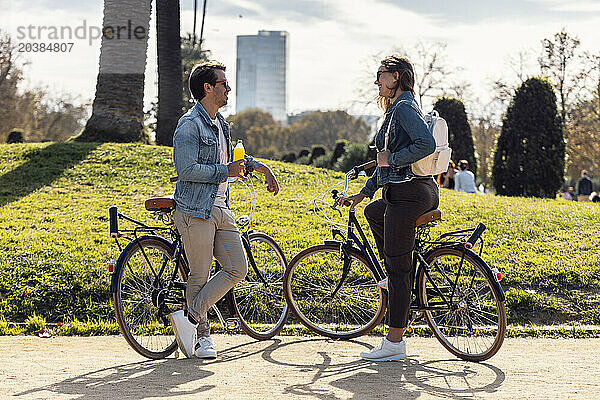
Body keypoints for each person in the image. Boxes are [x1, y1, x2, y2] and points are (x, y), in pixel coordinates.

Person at [169, 61, 280, 359]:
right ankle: (202, 337)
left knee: (237, 268)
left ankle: (189, 318)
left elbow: (234, 158)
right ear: (208, 87)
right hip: (195, 209)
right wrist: (224, 171)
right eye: (223, 84)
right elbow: (186, 168)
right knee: (199, 276)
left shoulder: (220, 124)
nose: (228, 88)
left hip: (221, 208)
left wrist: (263, 168)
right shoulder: (189, 124)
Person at [336, 55, 438, 361]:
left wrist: (391, 159)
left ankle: (394, 343)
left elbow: (426, 144)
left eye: (380, 75)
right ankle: (399, 280)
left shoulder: (404, 108)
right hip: (411, 191)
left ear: (396, 76)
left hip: (409, 194)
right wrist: (362, 194)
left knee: (397, 269)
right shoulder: (396, 109)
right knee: (373, 212)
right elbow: (383, 166)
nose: (376, 80)